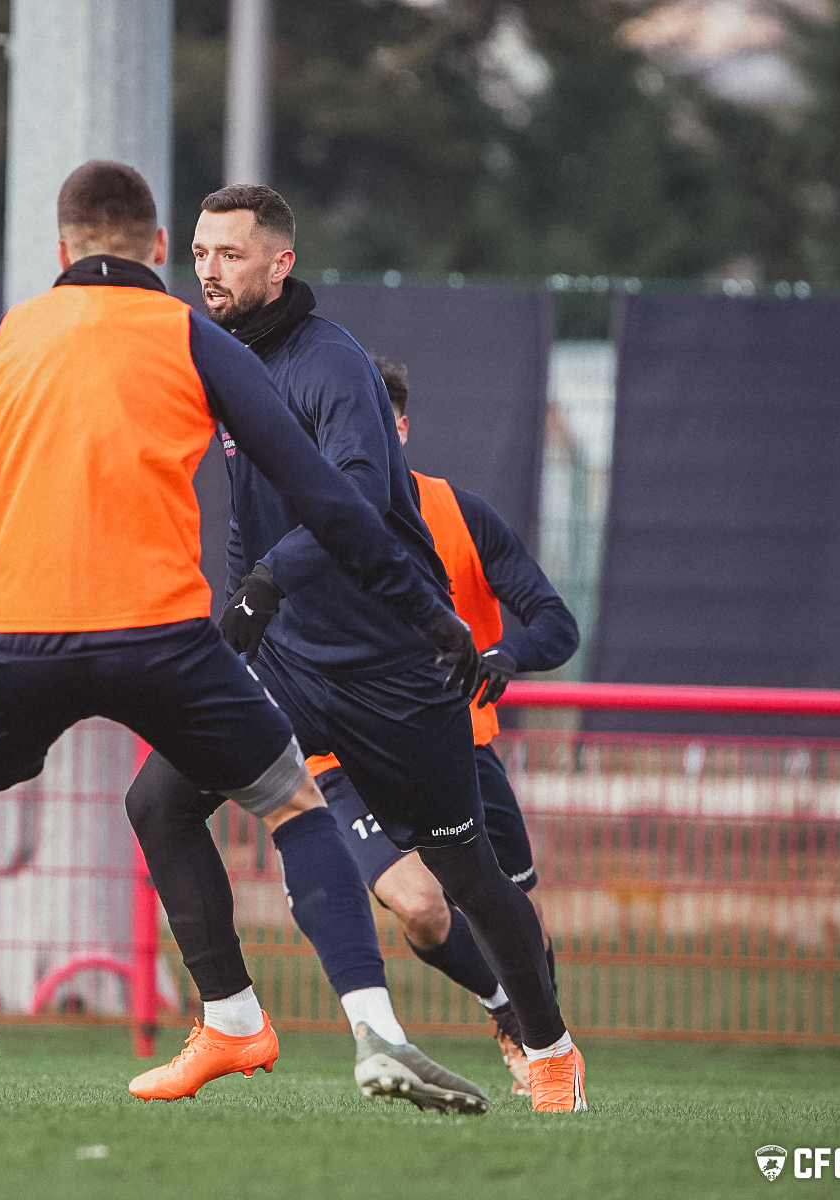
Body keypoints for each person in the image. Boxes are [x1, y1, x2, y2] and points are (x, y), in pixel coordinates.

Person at [0, 160, 491, 1106]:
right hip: (162, 644)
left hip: (18, 640)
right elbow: (325, 496)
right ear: (162, 249)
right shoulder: (190, 336)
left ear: (59, 250)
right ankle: (377, 1038)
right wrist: (428, 611)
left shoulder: (2, 341)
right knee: (294, 806)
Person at [124, 185, 587, 1112]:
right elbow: (248, 516)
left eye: (231, 254)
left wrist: (269, 585)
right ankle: (230, 1019)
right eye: (201, 252)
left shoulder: (333, 364)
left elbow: (362, 493)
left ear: (280, 263)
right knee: (159, 801)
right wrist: (241, 605)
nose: (209, 270)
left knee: (466, 877)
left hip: (393, 670)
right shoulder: (216, 359)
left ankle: (551, 1048)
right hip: (288, 667)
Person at [303, 356, 580, 1095]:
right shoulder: (313, 520)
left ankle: (547, 1050)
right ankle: (505, 1012)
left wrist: (504, 655)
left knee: (520, 918)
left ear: (399, 427)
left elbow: (555, 622)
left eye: (377, 423)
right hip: (344, 756)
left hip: (458, 747)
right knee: (423, 910)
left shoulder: (459, 514)